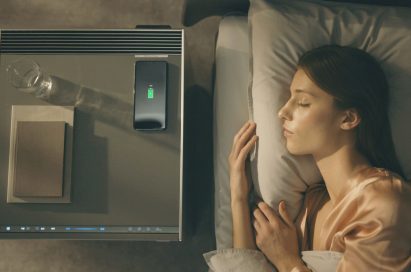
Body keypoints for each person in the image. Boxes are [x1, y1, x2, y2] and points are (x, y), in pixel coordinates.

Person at [228, 45, 411, 271]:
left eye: (303, 102)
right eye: (289, 98)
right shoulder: (312, 204)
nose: (283, 111)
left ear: (348, 118)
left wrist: (286, 261)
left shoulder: (384, 201)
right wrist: (238, 197)